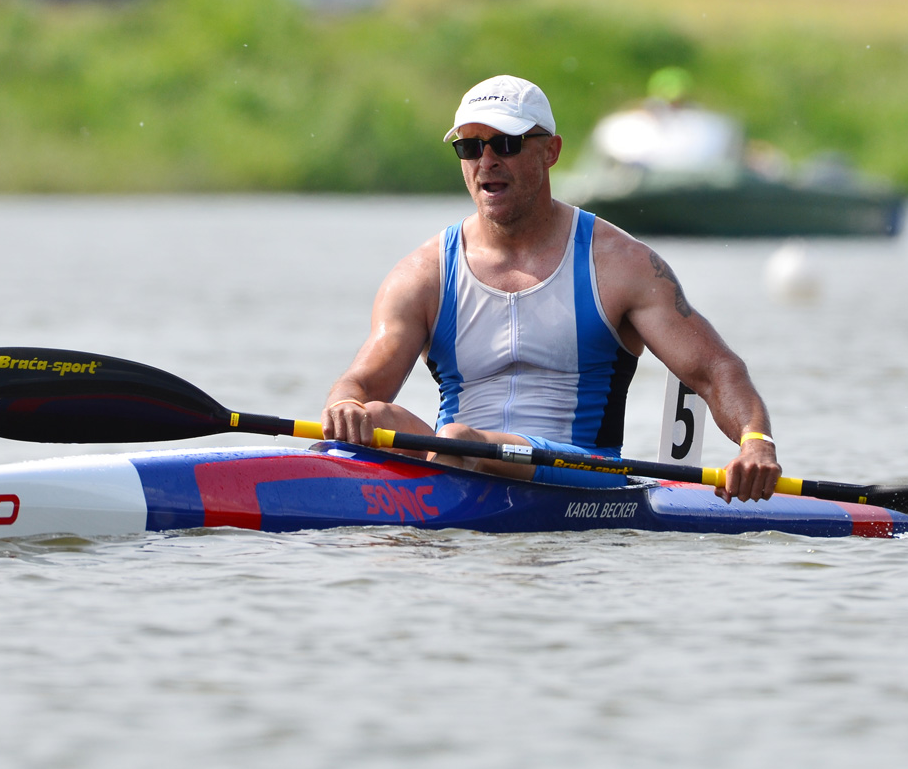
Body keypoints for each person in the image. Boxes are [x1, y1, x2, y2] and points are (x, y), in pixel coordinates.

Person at [321, 74, 781, 503]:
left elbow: (715, 369)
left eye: (506, 143)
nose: (487, 161)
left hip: (582, 473)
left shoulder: (620, 264)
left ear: (551, 151)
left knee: (458, 439)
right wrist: (345, 407)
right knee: (376, 417)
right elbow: (361, 383)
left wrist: (755, 442)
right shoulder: (422, 274)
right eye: (470, 147)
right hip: (453, 454)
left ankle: (433, 549)